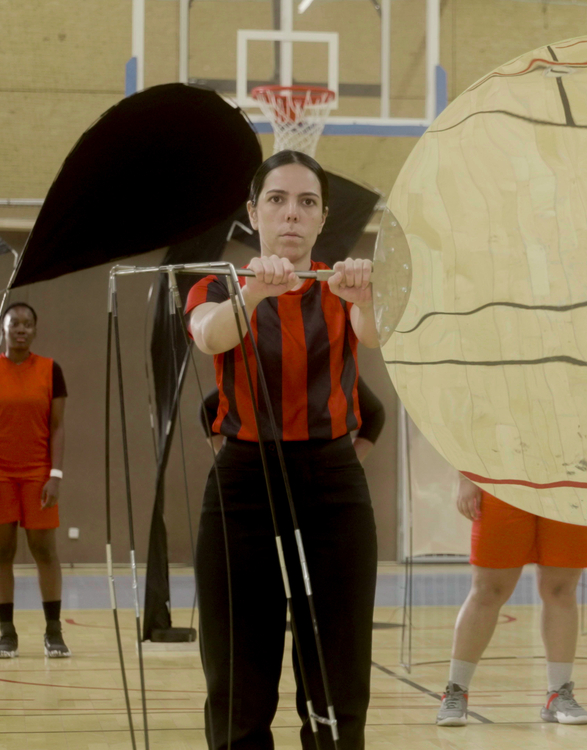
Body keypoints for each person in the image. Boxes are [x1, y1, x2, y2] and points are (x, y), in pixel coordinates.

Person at [186, 150, 379, 750]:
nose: (291, 215)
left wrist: (366, 298)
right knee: (239, 675)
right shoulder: (217, 284)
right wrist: (254, 295)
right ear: (254, 212)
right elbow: (208, 334)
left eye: (307, 203)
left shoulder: (339, 288)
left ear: (322, 218)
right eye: (277, 200)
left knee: (336, 676)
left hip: (331, 484)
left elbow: (375, 337)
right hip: (245, 485)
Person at [436, 478, 587, 727]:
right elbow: (472, 435)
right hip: (502, 481)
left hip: (569, 482)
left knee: (561, 591)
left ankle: (559, 693)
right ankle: (455, 691)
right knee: (488, 591)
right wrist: (466, 477)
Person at [0, 302, 70, 659]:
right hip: (0, 476)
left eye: (28, 324)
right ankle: (5, 631)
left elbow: (57, 428)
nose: (21, 329)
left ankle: (53, 630)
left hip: (38, 475)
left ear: (35, 330)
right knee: (2, 553)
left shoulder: (49, 370)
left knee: (44, 551)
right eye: (15, 324)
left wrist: (54, 475)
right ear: (4, 329)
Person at [201, 377, 385, 461]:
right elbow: (207, 410)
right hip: (262, 472)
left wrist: (352, 460)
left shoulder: (332, 368)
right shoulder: (258, 370)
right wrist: (227, 457)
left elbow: (375, 413)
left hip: (319, 474)